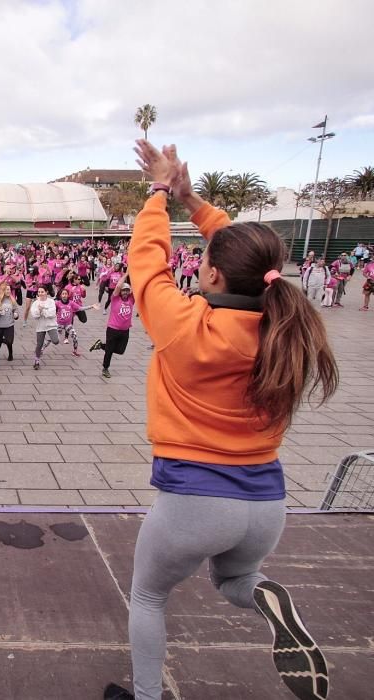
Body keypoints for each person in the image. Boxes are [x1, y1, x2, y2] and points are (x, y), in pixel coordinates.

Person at [102, 140, 338, 700]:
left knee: (149, 598)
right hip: (265, 502)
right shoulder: (287, 334)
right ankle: (261, 593)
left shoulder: (186, 326)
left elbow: (146, 258)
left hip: (196, 499)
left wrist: (161, 194)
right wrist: (194, 201)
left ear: (209, 276)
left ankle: (145, 696)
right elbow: (246, 255)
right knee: (234, 579)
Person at [89, 276, 134, 378]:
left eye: (127, 291)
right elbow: (118, 286)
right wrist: (126, 274)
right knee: (109, 351)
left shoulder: (131, 300)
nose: (125, 293)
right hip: (112, 329)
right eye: (123, 291)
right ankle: (105, 368)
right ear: (120, 292)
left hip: (125, 330)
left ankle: (101, 345)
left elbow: (135, 287)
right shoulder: (115, 299)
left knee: (120, 350)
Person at [28, 286, 58, 369]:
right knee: (39, 344)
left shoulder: (51, 301)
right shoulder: (35, 303)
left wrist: (43, 310)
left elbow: (52, 314)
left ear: (46, 292)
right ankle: (36, 361)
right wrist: (39, 311)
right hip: (40, 326)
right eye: (39, 292)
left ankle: (48, 340)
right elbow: (35, 315)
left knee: (55, 341)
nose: (40, 293)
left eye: (42, 292)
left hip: (51, 325)